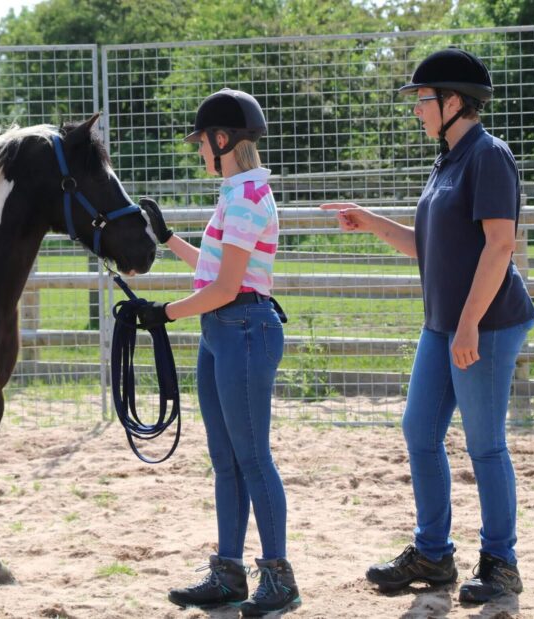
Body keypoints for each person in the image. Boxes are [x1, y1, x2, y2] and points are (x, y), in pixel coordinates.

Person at [321, 48, 534, 604]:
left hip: (484, 324)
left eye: (422, 99)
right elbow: (430, 247)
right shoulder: (448, 159)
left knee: (486, 447)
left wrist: (468, 325)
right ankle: (435, 555)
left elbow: (500, 245)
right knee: (419, 433)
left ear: (454, 101)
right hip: (444, 324)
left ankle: (501, 565)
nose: (416, 109)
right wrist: (371, 223)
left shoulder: (489, 157)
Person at [137, 88, 300, 616]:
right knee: (226, 460)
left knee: (253, 459)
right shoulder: (235, 193)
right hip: (222, 330)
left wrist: (164, 314)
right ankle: (228, 571)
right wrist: (167, 239)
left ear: (222, 139)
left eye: (202, 142)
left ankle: (277, 577)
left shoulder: (249, 197)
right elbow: (215, 269)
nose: (199, 150)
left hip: (242, 327)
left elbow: (228, 286)